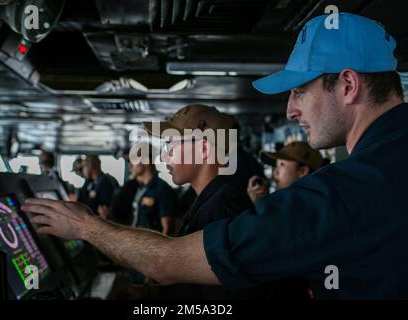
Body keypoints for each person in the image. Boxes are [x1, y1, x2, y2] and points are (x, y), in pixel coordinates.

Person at [24, 13, 408, 299]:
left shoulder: (347, 191)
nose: (291, 109)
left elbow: (172, 264)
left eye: (300, 90)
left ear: (347, 84)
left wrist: (86, 228)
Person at [112, 104, 309, 299]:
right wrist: (149, 294)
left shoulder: (221, 209)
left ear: (204, 148)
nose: (164, 156)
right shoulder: (209, 199)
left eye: (170, 145)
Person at [247, 141, 323, 204]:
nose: (275, 172)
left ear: (302, 171)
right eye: (276, 166)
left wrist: (261, 205)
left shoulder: (302, 208)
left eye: (282, 164)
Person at [128, 143, 176, 235]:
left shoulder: (162, 189)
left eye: (134, 160)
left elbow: (167, 228)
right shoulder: (141, 188)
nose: (130, 165)